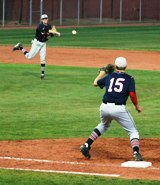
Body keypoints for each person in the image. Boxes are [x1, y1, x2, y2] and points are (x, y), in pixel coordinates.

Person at [80, 57, 144, 161]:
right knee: (133, 131)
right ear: (126, 66)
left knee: (103, 125)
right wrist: (137, 106)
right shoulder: (129, 78)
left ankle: (86, 145)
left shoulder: (109, 76)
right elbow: (132, 94)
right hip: (119, 109)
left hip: (104, 107)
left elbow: (95, 83)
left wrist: (102, 72)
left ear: (115, 66)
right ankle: (136, 153)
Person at [13, 14, 61, 79]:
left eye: (46, 18)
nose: (45, 19)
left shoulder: (49, 26)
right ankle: (21, 47)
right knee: (29, 57)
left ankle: (42, 75)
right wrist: (56, 32)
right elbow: (46, 31)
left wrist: (54, 33)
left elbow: (49, 35)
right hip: (37, 43)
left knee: (43, 59)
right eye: (44, 19)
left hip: (43, 44)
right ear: (41, 20)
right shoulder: (40, 26)